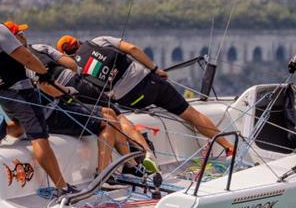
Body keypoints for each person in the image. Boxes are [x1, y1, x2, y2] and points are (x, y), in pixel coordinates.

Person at [5, 22, 158, 173]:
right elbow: (71, 65)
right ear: (18, 37)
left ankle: (129, 162)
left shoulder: (13, 65)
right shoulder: (38, 48)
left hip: (58, 98)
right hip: (70, 85)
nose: (23, 35)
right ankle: (144, 154)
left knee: (105, 116)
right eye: (20, 33)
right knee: (116, 116)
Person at [0, 0, 73, 194]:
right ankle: (62, 187)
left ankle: (5, 128)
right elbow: (26, 57)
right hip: (19, 91)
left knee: (25, 126)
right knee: (39, 136)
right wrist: (44, 73)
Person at [56, 35, 235, 159]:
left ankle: (144, 154)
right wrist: (155, 69)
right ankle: (228, 147)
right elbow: (132, 49)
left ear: (65, 54)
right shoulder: (98, 41)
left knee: (124, 118)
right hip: (150, 84)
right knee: (190, 114)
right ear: (78, 41)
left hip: (129, 99)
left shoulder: (76, 68)